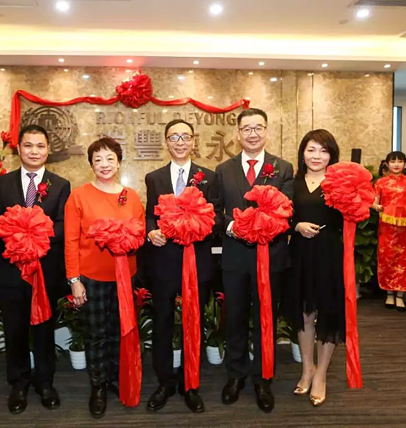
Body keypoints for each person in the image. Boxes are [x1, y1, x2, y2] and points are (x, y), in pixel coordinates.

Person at [0, 125, 71, 414]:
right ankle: (18, 383)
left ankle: (45, 383)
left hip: (45, 272)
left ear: (48, 150)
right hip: (11, 271)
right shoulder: (2, 184)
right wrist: (15, 233)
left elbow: (64, 225)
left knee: (45, 329)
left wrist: (37, 233)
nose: (34, 151)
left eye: (40, 146)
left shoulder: (61, 184)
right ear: (19, 148)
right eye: (28, 145)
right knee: (15, 329)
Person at [214, 107, 294, 413]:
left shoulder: (282, 168)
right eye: (246, 128)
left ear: (266, 131)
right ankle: (235, 376)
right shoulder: (224, 169)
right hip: (235, 257)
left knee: (266, 319)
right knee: (234, 317)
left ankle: (263, 378)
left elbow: (286, 210)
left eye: (258, 127)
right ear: (238, 134)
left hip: (270, 257)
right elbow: (215, 210)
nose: (253, 133)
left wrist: (262, 226)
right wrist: (232, 227)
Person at [64, 137, 145, 419]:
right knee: (96, 334)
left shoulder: (131, 196)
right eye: (97, 160)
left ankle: (115, 378)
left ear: (119, 162)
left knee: (119, 331)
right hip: (91, 278)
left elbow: (139, 234)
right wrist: (74, 280)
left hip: (125, 278)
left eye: (110, 158)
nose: (104, 164)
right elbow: (71, 241)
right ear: (91, 165)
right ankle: (98, 385)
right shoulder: (79, 196)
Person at [144, 119, 216, 414]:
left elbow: (215, 218)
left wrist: (197, 227)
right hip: (163, 262)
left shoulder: (209, 177)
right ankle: (164, 382)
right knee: (162, 323)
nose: (180, 141)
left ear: (193, 141)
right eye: (174, 137)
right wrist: (151, 232)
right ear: (166, 142)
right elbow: (149, 215)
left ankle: (190, 384)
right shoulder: (154, 177)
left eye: (186, 136)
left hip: (196, 261)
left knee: (193, 323)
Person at [287, 130, 343, 407]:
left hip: (329, 254)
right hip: (300, 254)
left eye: (323, 150)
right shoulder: (292, 183)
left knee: (328, 312)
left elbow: (352, 218)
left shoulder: (339, 184)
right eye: (311, 150)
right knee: (304, 313)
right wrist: (296, 226)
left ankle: (321, 375)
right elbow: (282, 217)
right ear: (302, 153)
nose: (317, 156)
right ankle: (307, 369)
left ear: (331, 155)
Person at [372, 151, 406, 312]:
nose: (396, 164)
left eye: (400, 161)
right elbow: (374, 202)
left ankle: (400, 295)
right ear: (387, 164)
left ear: (404, 164)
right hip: (387, 226)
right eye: (393, 161)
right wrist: (376, 206)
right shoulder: (380, 182)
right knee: (387, 258)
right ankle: (389, 293)